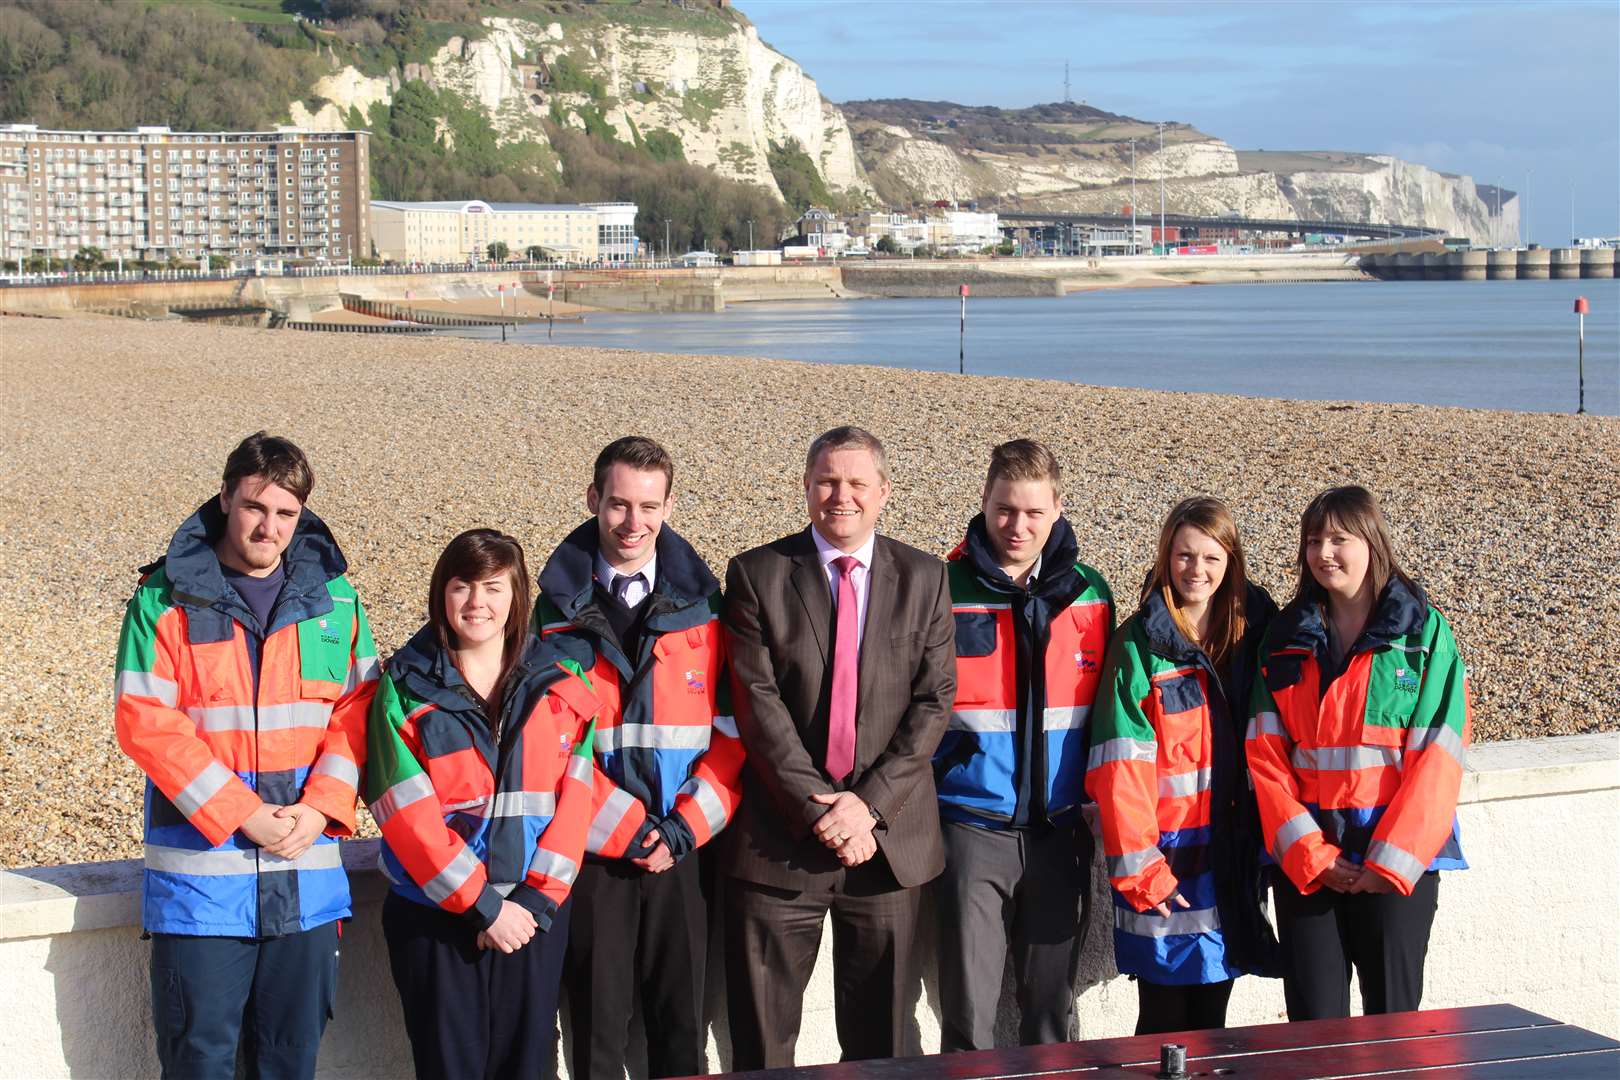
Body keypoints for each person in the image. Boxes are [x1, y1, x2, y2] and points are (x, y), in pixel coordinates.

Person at [113, 432, 378, 1079]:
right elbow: (145, 721)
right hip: (202, 892)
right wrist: (243, 813)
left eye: (286, 513)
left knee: (290, 1063)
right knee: (199, 1064)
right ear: (227, 496)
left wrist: (320, 809)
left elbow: (358, 713)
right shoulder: (165, 597)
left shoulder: (337, 601)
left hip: (306, 882)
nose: (270, 527)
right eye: (256, 507)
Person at [721, 425, 956, 1069]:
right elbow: (757, 706)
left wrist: (867, 807)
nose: (840, 495)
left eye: (856, 483)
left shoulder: (926, 577)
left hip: (888, 850)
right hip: (778, 849)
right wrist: (825, 812)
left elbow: (934, 703)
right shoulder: (756, 575)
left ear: (883, 492)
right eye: (827, 480)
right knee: (764, 1048)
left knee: (882, 1046)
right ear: (806, 486)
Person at [533, 436, 743, 1079]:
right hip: (591, 854)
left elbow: (734, 736)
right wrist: (625, 829)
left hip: (681, 853)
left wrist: (684, 828)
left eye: (649, 507)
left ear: (669, 506)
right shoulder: (549, 614)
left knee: (680, 1033)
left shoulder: (709, 609)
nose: (633, 523)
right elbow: (545, 747)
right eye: (619, 504)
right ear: (593, 499)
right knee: (596, 1034)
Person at [366, 528, 600, 1079]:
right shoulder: (404, 687)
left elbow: (577, 801)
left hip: (533, 916)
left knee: (528, 1067)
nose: (478, 604)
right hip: (437, 919)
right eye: (462, 587)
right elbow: (404, 814)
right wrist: (484, 908)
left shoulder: (564, 682)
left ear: (517, 596)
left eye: (494, 588)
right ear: (440, 595)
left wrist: (534, 904)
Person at [1247, 485, 1470, 1021]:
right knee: (1314, 1032)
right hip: (1309, 865)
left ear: (1372, 543)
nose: (1324, 553)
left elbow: (1438, 758)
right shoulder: (1283, 640)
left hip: (1397, 867)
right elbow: (1265, 758)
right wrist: (1313, 856)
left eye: (1339, 539)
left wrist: (1387, 863)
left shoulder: (1422, 635)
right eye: (1314, 540)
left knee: (1393, 1027)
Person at [933, 439, 1113, 1050]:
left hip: (1061, 831)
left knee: (1048, 1014)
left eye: (1034, 513)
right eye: (1005, 509)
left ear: (1058, 510)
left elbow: (1109, 716)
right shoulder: (941, 586)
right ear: (984, 502)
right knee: (966, 1015)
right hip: (970, 827)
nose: (1018, 526)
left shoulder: (1091, 594)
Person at [1087, 496, 1280, 1036]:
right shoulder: (1140, 644)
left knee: (1213, 1019)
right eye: (1184, 556)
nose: (1197, 571)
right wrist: (1143, 870)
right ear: (1165, 557)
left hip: (1230, 860)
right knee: (1163, 1022)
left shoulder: (1253, 638)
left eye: (1211, 559)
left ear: (1231, 564)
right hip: (1165, 863)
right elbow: (1118, 767)